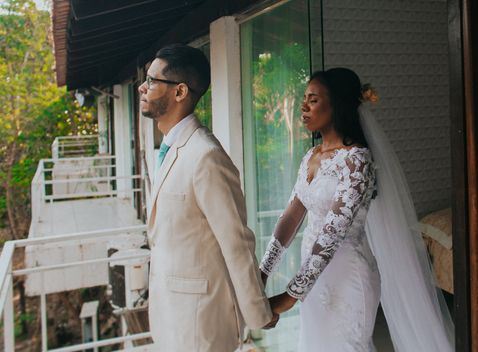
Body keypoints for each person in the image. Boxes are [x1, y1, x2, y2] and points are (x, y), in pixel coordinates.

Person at [260, 68, 454, 352]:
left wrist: (288, 296)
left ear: (336, 104)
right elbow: (291, 217)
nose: (303, 106)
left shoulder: (357, 160)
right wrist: (262, 273)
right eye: (304, 98)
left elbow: (333, 233)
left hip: (348, 276)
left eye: (312, 99)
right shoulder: (310, 157)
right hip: (312, 276)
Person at [139, 44, 278, 351]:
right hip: (169, 312)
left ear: (180, 92)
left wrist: (258, 313)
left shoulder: (207, 156)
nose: (142, 87)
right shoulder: (170, 149)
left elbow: (236, 243)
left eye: (151, 80)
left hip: (201, 322)